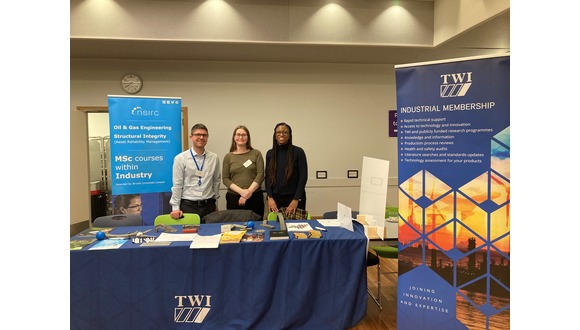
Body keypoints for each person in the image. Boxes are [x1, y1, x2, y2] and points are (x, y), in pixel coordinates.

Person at [169, 123, 221, 222]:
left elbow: (216, 181)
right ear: (191, 137)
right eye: (197, 134)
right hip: (188, 206)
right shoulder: (180, 158)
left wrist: (215, 203)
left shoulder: (214, 158)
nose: (201, 137)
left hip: (208, 206)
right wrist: (175, 208)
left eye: (204, 135)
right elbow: (177, 184)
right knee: (189, 235)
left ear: (207, 137)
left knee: (211, 235)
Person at [265, 122, 308, 216]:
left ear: (289, 135)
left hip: (294, 198)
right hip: (275, 200)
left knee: (295, 228)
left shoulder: (298, 152)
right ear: (275, 135)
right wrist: (270, 198)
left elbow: (303, 177)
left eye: (285, 132)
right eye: (278, 132)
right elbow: (268, 178)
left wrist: (296, 199)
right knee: (276, 228)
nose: (281, 134)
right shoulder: (270, 153)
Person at [222, 125, 265, 219]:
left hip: (255, 197)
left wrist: (247, 193)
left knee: (256, 227)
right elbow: (225, 179)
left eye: (244, 135)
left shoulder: (256, 153)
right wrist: (242, 192)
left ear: (248, 137)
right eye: (238, 134)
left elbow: (260, 174)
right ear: (234, 137)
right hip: (234, 198)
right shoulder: (228, 157)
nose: (240, 137)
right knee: (235, 228)